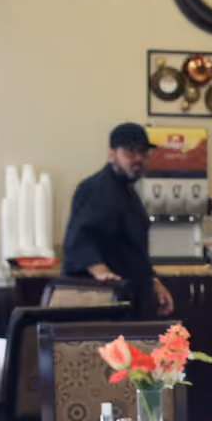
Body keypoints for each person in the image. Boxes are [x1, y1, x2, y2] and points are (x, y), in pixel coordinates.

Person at [61, 121, 175, 319]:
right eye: (130, 152)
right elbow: (80, 238)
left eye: (144, 152)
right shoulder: (94, 188)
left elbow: (133, 247)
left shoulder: (129, 192)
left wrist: (153, 283)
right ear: (112, 154)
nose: (138, 158)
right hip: (103, 301)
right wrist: (101, 272)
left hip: (130, 297)